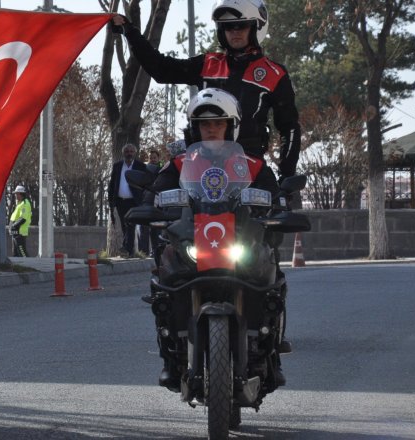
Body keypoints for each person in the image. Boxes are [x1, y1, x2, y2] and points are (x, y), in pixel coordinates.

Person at [145, 88, 284, 389]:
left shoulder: (252, 164)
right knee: (164, 276)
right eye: (204, 124)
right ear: (194, 128)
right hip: (193, 238)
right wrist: (148, 202)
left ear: (230, 126)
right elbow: (156, 191)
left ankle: (270, 348)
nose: (211, 129)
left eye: (218, 123)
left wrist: (280, 207)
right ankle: (170, 355)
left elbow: (275, 195)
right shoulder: (180, 163)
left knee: (271, 272)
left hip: (238, 238)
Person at [111, 0, 301, 182]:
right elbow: (160, 69)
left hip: (249, 168)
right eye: (228, 26)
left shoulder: (274, 74)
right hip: (201, 165)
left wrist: (287, 176)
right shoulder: (208, 64)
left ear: (256, 26)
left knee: (268, 213)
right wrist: (129, 31)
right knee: (162, 199)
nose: (235, 32)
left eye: (241, 25)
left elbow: (289, 127)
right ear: (220, 29)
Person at [107, 143, 146, 257]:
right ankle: (129, 250)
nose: (129, 154)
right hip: (120, 201)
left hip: (134, 201)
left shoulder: (140, 166)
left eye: (131, 151)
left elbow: (145, 184)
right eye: (127, 151)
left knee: (131, 224)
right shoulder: (117, 166)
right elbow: (112, 184)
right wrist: (111, 202)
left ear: (135, 153)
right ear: (123, 153)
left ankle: (126, 248)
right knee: (125, 225)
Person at [8, 186, 32, 257]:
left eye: (17, 194)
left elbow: (23, 218)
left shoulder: (24, 204)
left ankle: (27, 266)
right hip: (16, 232)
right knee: (15, 253)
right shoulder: (19, 203)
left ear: (21, 194)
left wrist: (13, 226)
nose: (15, 195)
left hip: (20, 232)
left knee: (22, 252)